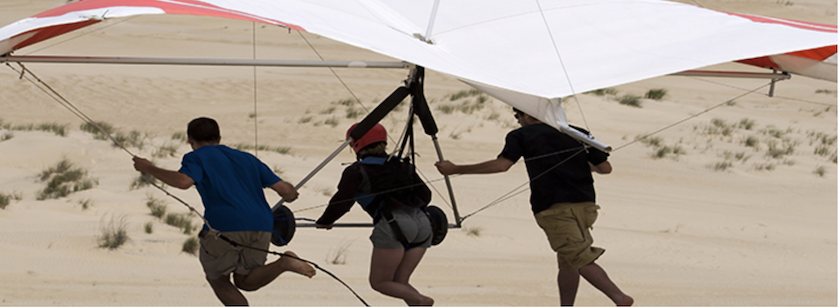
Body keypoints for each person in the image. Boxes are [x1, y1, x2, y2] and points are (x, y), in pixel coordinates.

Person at [434, 109, 633, 306]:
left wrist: (456, 169)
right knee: (568, 260)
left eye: (517, 116)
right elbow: (604, 168)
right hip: (586, 205)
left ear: (528, 114)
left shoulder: (520, 135)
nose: (517, 121)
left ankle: (619, 298)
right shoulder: (577, 132)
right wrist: (574, 162)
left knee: (579, 257)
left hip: (554, 207)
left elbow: (502, 165)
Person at [132, 117, 316, 306]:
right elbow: (285, 190)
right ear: (219, 138)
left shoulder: (196, 157)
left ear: (190, 140)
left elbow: (183, 181)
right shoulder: (247, 158)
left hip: (225, 225)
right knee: (245, 281)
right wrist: (292, 194)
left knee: (218, 278)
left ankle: (284, 264)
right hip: (262, 225)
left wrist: (149, 168)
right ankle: (284, 263)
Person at [316, 123, 435, 306]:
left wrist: (325, 221)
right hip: (423, 223)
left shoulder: (356, 171)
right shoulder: (402, 164)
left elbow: (342, 202)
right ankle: (418, 303)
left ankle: (421, 300)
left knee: (380, 282)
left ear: (356, 144)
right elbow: (425, 195)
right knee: (400, 282)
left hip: (394, 224)